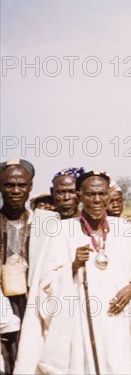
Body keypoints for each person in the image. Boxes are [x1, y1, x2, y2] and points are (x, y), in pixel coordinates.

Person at [15, 171, 131, 374]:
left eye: (102, 194)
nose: (97, 200)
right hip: (81, 323)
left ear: (109, 196)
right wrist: (73, 266)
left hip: (122, 319)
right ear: (80, 196)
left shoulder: (125, 229)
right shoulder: (61, 231)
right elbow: (45, 284)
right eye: (91, 195)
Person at [0, 159, 58, 374]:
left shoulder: (48, 221)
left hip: (35, 302)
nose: (16, 190)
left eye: (21, 185)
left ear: (30, 186)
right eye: (8, 185)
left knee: (32, 359)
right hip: (2, 303)